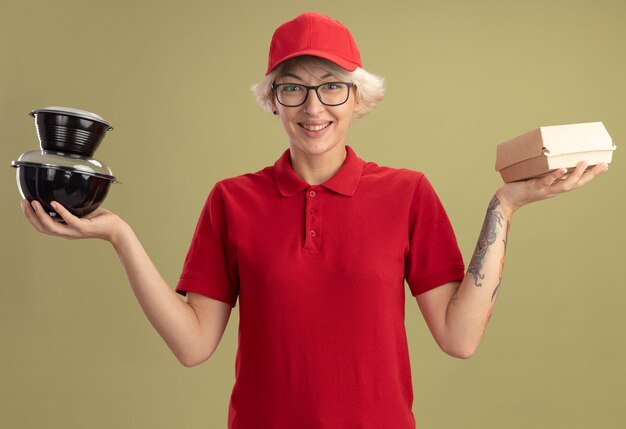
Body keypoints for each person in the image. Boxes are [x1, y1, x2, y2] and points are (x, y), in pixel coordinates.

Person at [20, 11, 608, 429]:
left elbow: (459, 338)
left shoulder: (407, 194)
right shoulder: (232, 200)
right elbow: (194, 345)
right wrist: (119, 235)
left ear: (359, 98)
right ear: (272, 99)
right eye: (293, 89)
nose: (314, 107)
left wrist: (503, 207)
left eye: (332, 87)